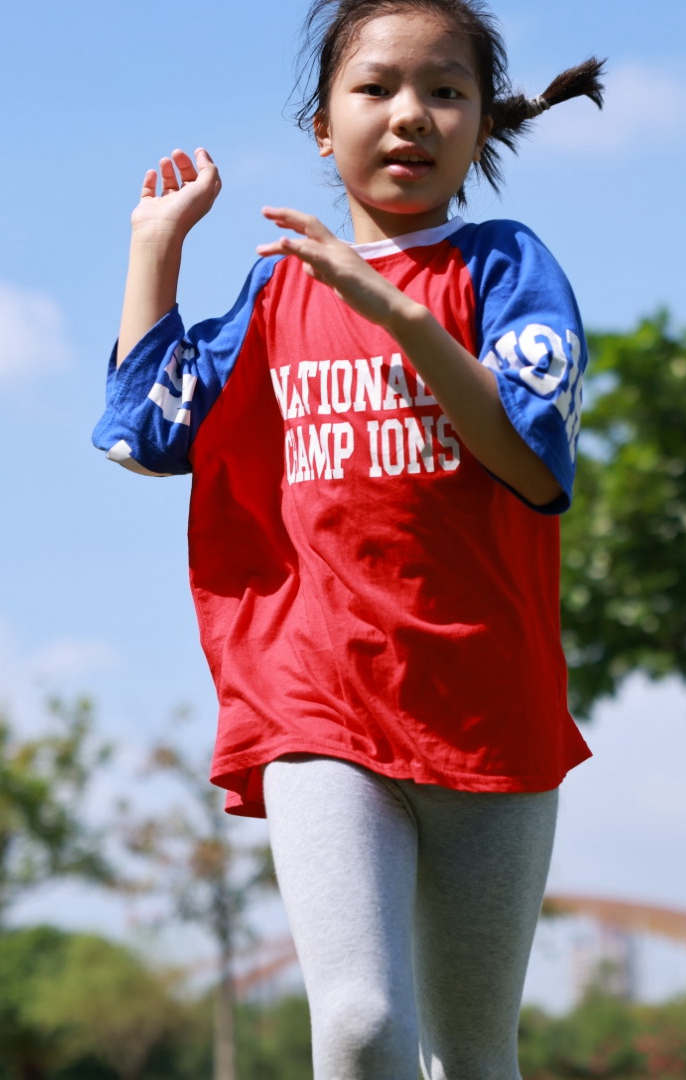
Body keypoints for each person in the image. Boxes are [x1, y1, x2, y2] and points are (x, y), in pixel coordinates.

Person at [94, 1, 605, 1076]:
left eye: (445, 91)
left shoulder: (507, 266)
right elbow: (148, 435)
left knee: (472, 1055)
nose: (410, 114)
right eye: (376, 88)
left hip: (489, 709)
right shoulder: (280, 284)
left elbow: (529, 460)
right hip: (316, 699)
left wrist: (402, 315)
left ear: (481, 125)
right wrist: (155, 246)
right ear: (324, 130)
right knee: (364, 1022)